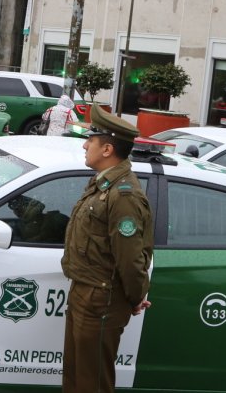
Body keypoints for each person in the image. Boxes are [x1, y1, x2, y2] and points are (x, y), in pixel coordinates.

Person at [62, 104, 153, 393]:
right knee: (76, 376)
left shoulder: (123, 194)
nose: (85, 145)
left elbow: (130, 258)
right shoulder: (103, 185)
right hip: (85, 291)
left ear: (107, 149)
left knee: (93, 382)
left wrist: (135, 295)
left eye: (92, 139)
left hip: (102, 298)